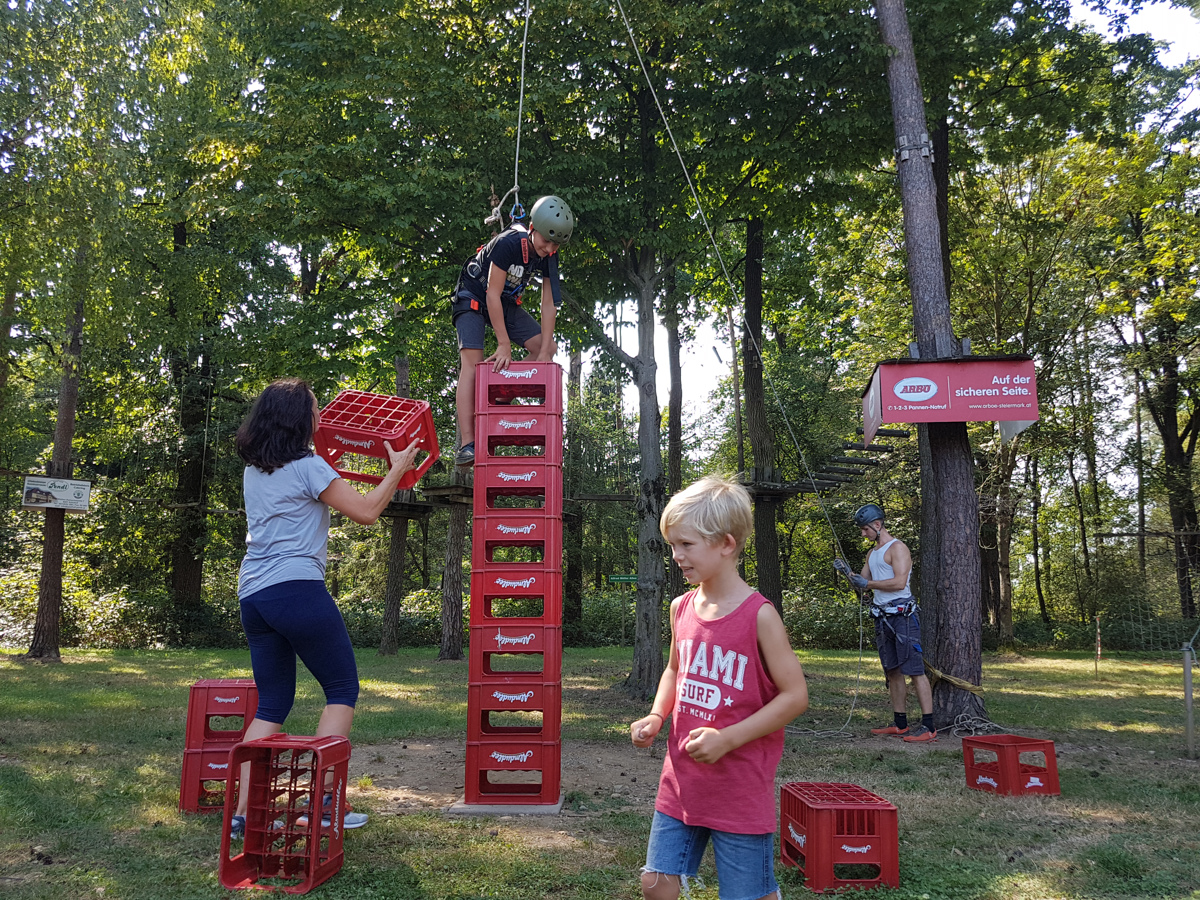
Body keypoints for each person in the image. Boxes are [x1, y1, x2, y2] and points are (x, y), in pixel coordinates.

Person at [229, 378, 423, 838]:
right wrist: (397, 468)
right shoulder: (309, 468)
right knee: (341, 689)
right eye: (315, 408)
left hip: (253, 595)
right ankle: (322, 805)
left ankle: (242, 814)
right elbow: (367, 511)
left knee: (272, 704)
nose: (320, 415)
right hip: (296, 589)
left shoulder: (255, 470)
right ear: (299, 419)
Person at [630, 476, 809, 900]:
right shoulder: (681, 607)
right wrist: (657, 715)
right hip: (682, 780)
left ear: (726, 544)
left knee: (747, 894)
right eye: (672, 545)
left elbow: (795, 696)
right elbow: (675, 669)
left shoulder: (760, 615)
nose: (676, 556)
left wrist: (728, 739)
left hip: (739, 785)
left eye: (686, 545)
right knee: (656, 884)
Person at [451, 194, 574, 466]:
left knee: (546, 347)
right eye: (546, 241)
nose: (549, 248)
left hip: (504, 301)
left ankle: (500, 394)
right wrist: (503, 344)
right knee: (472, 363)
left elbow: (548, 305)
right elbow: (491, 294)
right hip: (474, 294)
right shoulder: (508, 243)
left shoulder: (550, 256)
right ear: (532, 228)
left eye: (555, 244)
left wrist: (545, 355)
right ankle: (467, 444)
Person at [839, 504, 937, 743]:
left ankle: (929, 726)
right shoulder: (872, 554)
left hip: (903, 617)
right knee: (892, 670)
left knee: (914, 670)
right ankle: (900, 723)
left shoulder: (898, 548)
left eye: (865, 529)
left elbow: (899, 582)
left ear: (877, 524)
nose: (863, 533)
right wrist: (847, 573)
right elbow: (862, 582)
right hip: (882, 617)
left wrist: (868, 585)